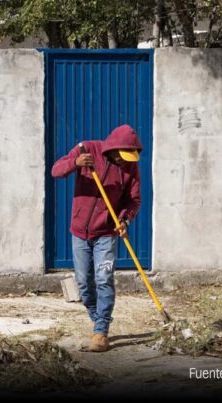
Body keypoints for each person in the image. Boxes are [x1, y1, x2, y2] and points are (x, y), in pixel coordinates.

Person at [51, 124, 142, 352]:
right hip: (80, 232)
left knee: (104, 279)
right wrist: (75, 163)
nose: (123, 161)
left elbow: (134, 200)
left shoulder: (130, 167)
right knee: (84, 283)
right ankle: (97, 318)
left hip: (107, 233)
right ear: (114, 148)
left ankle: (101, 331)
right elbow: (56, 171)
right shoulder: (87, 149)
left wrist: (124, 219)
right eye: (121, 156)